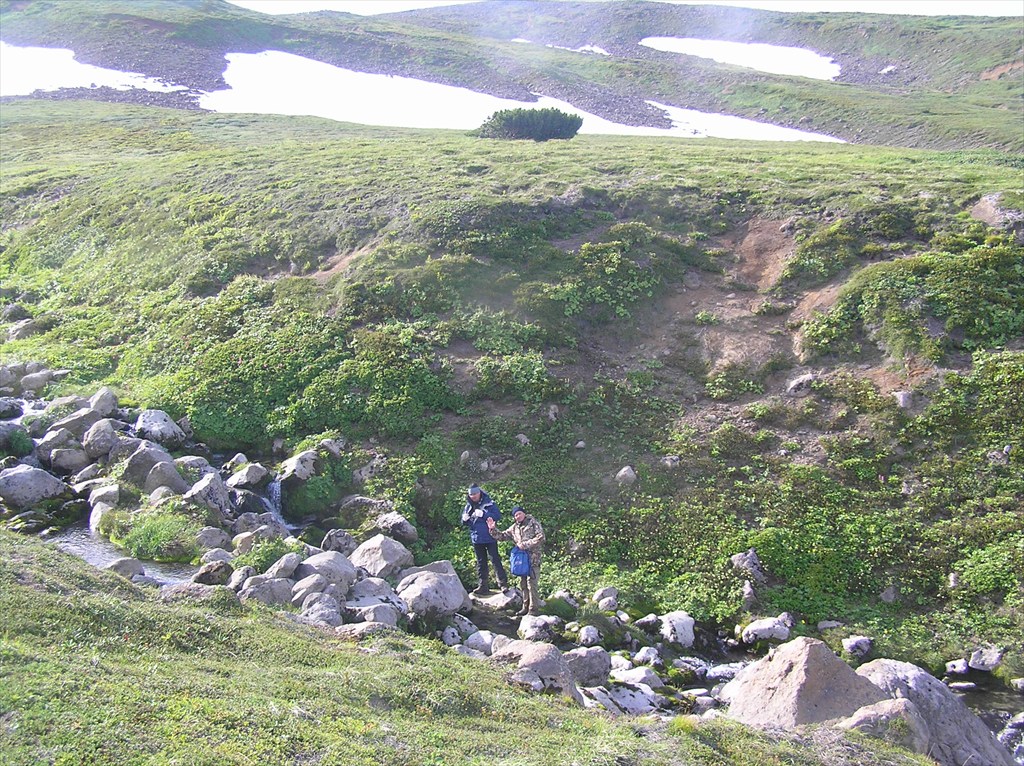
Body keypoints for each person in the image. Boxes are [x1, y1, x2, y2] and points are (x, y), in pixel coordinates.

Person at [487, 505, 545, 616]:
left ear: (524, 513)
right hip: (522, 561)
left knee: (532, 584)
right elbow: (502, 536)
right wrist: (492, 529)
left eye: (519, 514)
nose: (517, 516)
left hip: (534, 559)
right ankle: (525, 607)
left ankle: (533, 610)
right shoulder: (514, 528)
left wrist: (525, 544)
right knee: (523, 584)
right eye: (515, 515)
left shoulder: (533, 523)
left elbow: (541, 537)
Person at [461, 484, 509, 595]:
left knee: (495, 560)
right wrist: (464, 520)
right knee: (481, 562)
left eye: (475, 494)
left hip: (490, 537)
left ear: (479, 493)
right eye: (471, 494)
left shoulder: (489, 503)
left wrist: (484, 514)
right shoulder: (468, 506)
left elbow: (497, 516)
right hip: (476, 538)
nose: (473, 496)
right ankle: (483, 586)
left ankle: (503, 584)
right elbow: (465, 522)